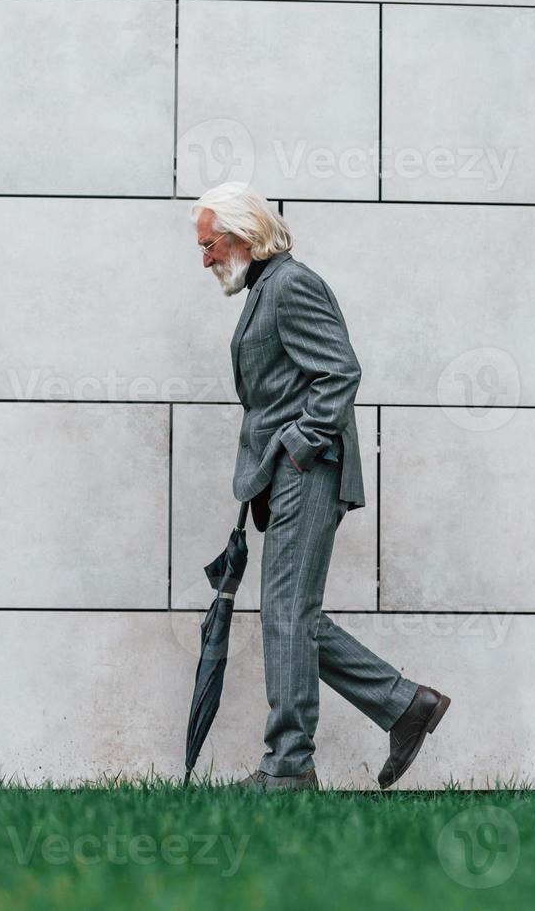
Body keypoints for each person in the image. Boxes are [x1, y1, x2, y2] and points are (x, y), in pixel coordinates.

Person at [190, 182, 451, 792]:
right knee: (291, 614)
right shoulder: (265, 290)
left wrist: (299, 449)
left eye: (208, 245)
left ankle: (289, 766)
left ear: (244, 235)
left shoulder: (290, 285)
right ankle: (405, 704)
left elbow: (340, 371)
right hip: (288, 473)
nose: (203, 259)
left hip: (309, 471)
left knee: (286, 612)